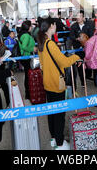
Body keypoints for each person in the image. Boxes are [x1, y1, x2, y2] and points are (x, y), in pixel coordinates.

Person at [38, 18, 80, 150]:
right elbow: (64, 62)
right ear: (51, 26)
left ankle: (53, 139)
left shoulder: (42, 43)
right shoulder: (50, 43)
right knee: (59, 115)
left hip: (48, 83)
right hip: (57, 84)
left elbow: (43, 65)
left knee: (51, 112)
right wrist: (76, 57)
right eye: (55, 25)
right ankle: (60, 143)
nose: (56, 27)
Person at [68, 10, 94, 87]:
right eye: (77, 16)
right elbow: (71, 36)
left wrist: (87, 40)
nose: (78, 18)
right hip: (78, 49)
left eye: (80, 16)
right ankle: (83, 81)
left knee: (88, 63)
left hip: (88, 49)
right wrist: (77, 39)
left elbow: (92, 35)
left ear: (83, 17)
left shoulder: (89, 25)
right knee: (79, 64)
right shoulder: (73, 26)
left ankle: (88, 76)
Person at [18, 20, 36, 100]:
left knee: (28, 75)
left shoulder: (23, 34)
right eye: (31, 26)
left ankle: (28, 93)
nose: (32, 27)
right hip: (27, 58)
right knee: (28, 76)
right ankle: (28, 94)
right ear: (28, 27)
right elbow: (24, 47)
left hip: (26, 57)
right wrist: (33, 49)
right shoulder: (26, 35)